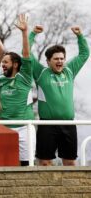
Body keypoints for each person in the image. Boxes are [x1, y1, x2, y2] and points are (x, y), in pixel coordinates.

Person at [29, 25, 90, 166]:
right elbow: (27, 55)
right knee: (44, 162)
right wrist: (32, 34)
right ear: (48, 61)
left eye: (62, 58)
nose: (60, 61)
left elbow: (84, 54)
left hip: (68, 123)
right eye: (56, 59)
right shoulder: (41, 73)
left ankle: (72, 188)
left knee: (70, 161)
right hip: (47, 124)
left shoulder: (69, 71)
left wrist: (80, 36)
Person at [0, 14, 35, 166]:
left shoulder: (25, 77)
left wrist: (25, 32)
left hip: (24, 128)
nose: (2, 65)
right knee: (5, 166)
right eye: (2, 62)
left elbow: (26, 54)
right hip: (5, 129)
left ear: (15, 64)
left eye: (6, 62)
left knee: (26, 165)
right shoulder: (0, 80)